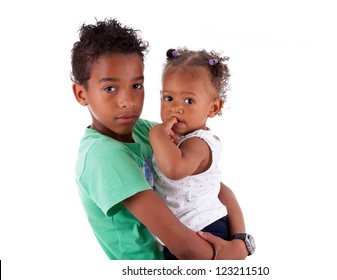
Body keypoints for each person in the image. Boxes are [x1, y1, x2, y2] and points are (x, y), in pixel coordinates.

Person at [71, 18, 250, 260]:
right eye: (110, 88)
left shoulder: (145, 131)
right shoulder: (103, 156)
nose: (128, 100)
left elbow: (213, 186)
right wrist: (229, 258)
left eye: (136, 85)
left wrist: (240, 241)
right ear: (81, 94)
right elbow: (185, 247)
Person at [150, 48, 231, 259]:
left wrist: (157, 133)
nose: (175, 108)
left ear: (213, 107)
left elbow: (175, 169)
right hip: (181, 233)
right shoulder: (176, 139)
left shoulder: (199, 143)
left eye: (189, 101)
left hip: (205, 231)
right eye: (168, 98)